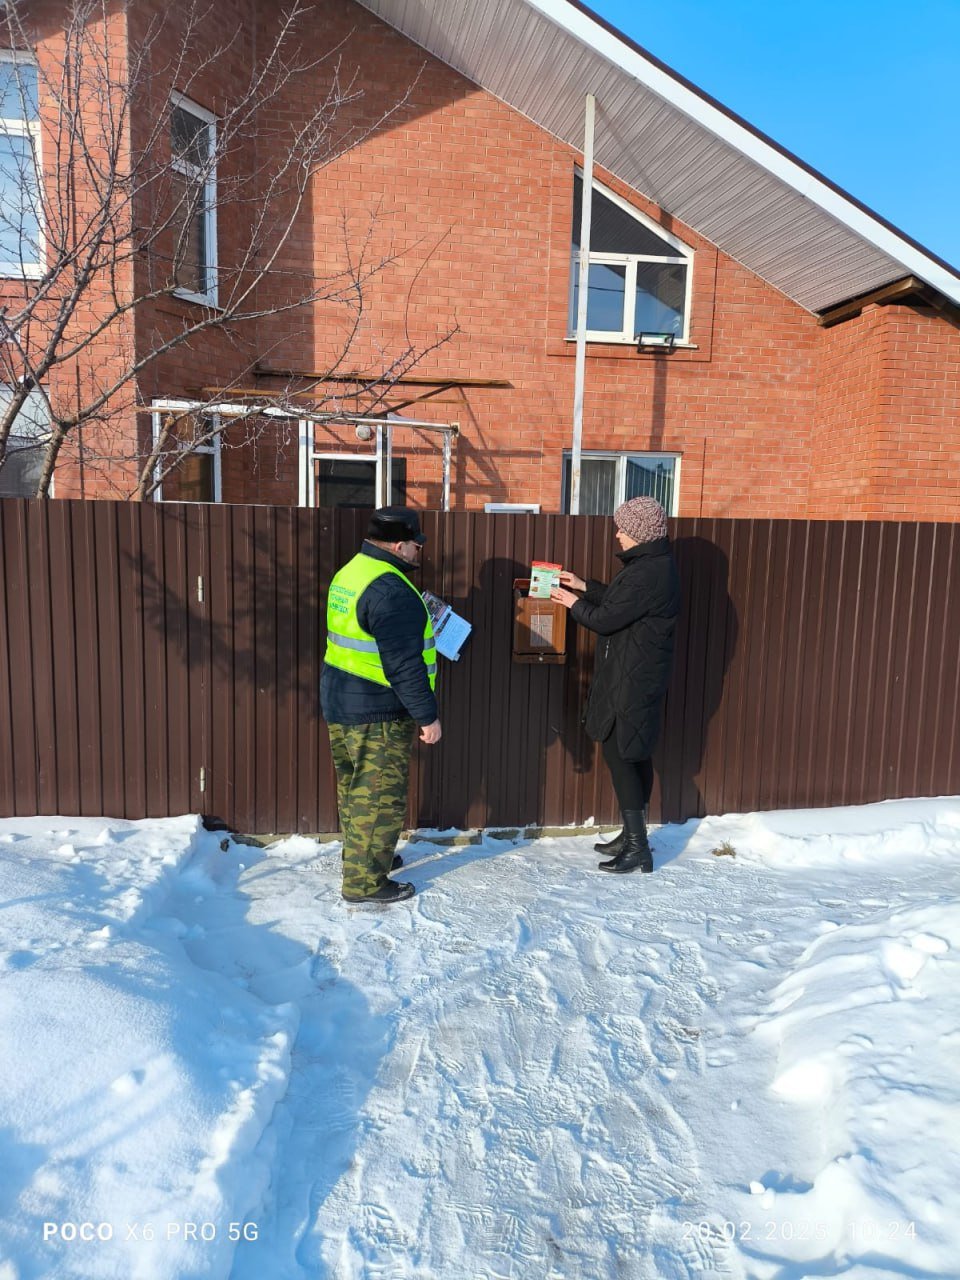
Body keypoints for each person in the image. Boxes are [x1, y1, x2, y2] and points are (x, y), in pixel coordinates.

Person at [550, 496, 681, 874]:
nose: (618, 534)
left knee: (622, 753)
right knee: (632, 752)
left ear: (639, 533)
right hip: (637, 673)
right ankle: (631, 833)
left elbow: (607, 620)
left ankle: (638, 847)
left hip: (634, 678)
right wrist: (582, 585)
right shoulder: (651, 566)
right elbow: (622, 604)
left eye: (623, 529)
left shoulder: (647, 572)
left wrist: (570, 602)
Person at [321, 506, 442, 905]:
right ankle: (364, 884)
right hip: (378, 711)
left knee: (357, 791)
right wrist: (428, 716)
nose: (418, 552)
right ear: (398, 544)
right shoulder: (390, 589)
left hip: (343, 700)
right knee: (378, 799)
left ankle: (366, 859)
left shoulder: (352, 571)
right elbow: (405, 665)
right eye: (414, 545)